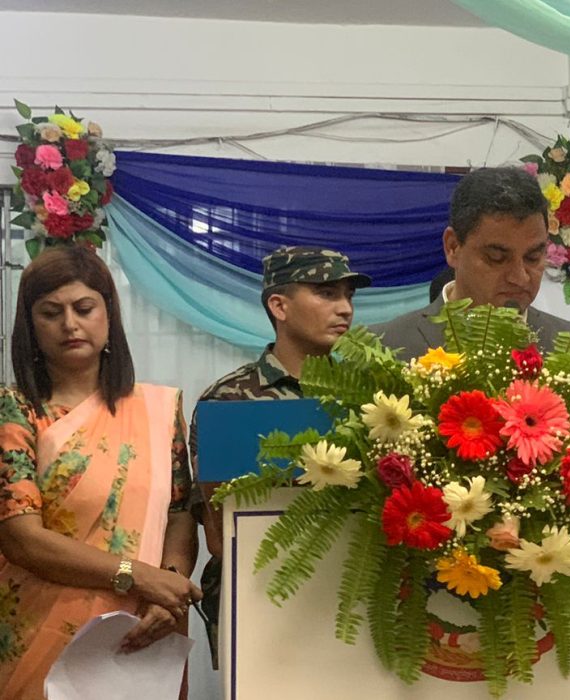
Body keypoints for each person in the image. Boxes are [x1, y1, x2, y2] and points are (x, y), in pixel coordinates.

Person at [0, 246, 202, 697]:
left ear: (108, 314)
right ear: (31, 326)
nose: (70, 324)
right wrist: (137, 575)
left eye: (84, 308)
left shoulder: (158, 410)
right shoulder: (16, 412)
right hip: (40, 631)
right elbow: (20, 537)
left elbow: (179, 512)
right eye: (51, 312)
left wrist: (167, 585)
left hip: (145, 625)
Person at [189, 246, 371, 665]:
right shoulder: (228, 401)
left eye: (348, 296)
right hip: (257, 601)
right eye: (326, 293)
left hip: (353, 597)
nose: (345, 308)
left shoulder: (370, 396)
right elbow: (218, 533)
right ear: (279, 306)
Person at [371, 167, 570, 387]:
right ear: (453, 247)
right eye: (497, 258)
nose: (520, 278)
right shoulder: (382, 349)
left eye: (533, 257)